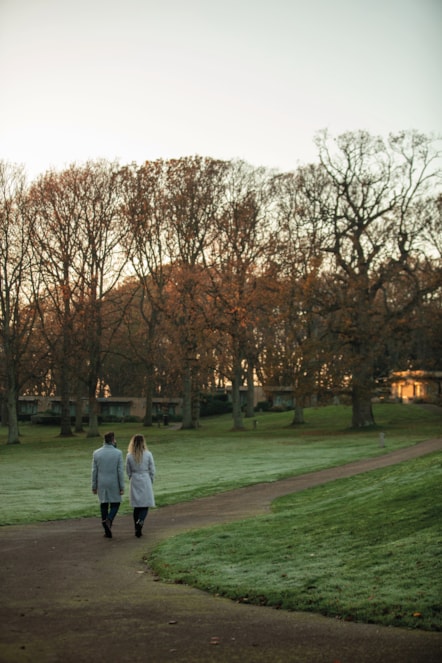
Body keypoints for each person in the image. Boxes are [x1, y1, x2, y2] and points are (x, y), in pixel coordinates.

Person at [91, 431, 125, 538]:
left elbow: (94, 471)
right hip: (113, 481)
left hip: (102, 482)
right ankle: (109, 520)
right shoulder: (118, 453)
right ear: (112, 440)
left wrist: (94, 485)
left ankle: (106, 529)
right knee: (116, 503)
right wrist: (122, 487)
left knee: (104, 504)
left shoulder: (96, 453)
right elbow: (120, 471)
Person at [126, 434, 155, 538]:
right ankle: (141, 521)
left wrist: (131, 477)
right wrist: (151, 480)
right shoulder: (148, 454)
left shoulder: (129, 455)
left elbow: (128, 470)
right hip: (145, 478)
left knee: (137, 506)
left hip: (135, 479)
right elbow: (152, 469)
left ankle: (136, 527)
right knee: (145, 504)